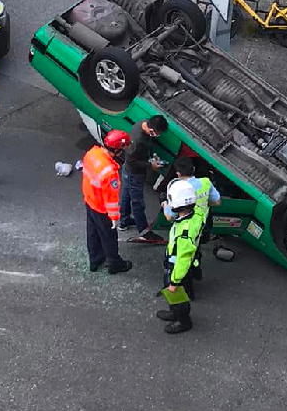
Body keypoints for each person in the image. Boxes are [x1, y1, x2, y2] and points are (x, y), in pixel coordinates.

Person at [162, 157, 221, 290]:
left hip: (186, 229)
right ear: (193, 169)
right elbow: (217, 202)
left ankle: (182, 285)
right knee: (195, 250)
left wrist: (165, 204)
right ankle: (196, 269)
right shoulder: (206, 182)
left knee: (180, 256)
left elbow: (169, 217)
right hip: (201, 226)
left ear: (178, 174)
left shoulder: (177, 190)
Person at [157, 179, 206, 334]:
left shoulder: (184, 233)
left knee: (177, 296)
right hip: (187, 264)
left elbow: (183, 259)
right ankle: (174, 312)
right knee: (177, 295)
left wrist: (174, 281)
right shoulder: (197, 213)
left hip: (177, 269)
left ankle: (183, 321)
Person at [82, 130, 133, 274]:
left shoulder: (92, 154)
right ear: (117, 150)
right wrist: (114, 218)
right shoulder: (110, 172)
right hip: (101, 208)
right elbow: (111, 200)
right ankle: (115, 264)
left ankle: (95, 260)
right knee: (109, 236)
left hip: (90, 201)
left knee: (92, 232)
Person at [118, 114, 169, 243]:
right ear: (152, 131)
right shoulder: (137, 141)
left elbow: (146, 148)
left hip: (127, 171)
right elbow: (132, 161)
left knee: (126, 196)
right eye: (158, 133)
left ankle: (124, 221)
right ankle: (144, 232)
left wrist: (153, 156)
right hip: (134, 174)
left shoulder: (143, 123)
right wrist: (150, 165)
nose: (158, 136)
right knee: (138, 203)